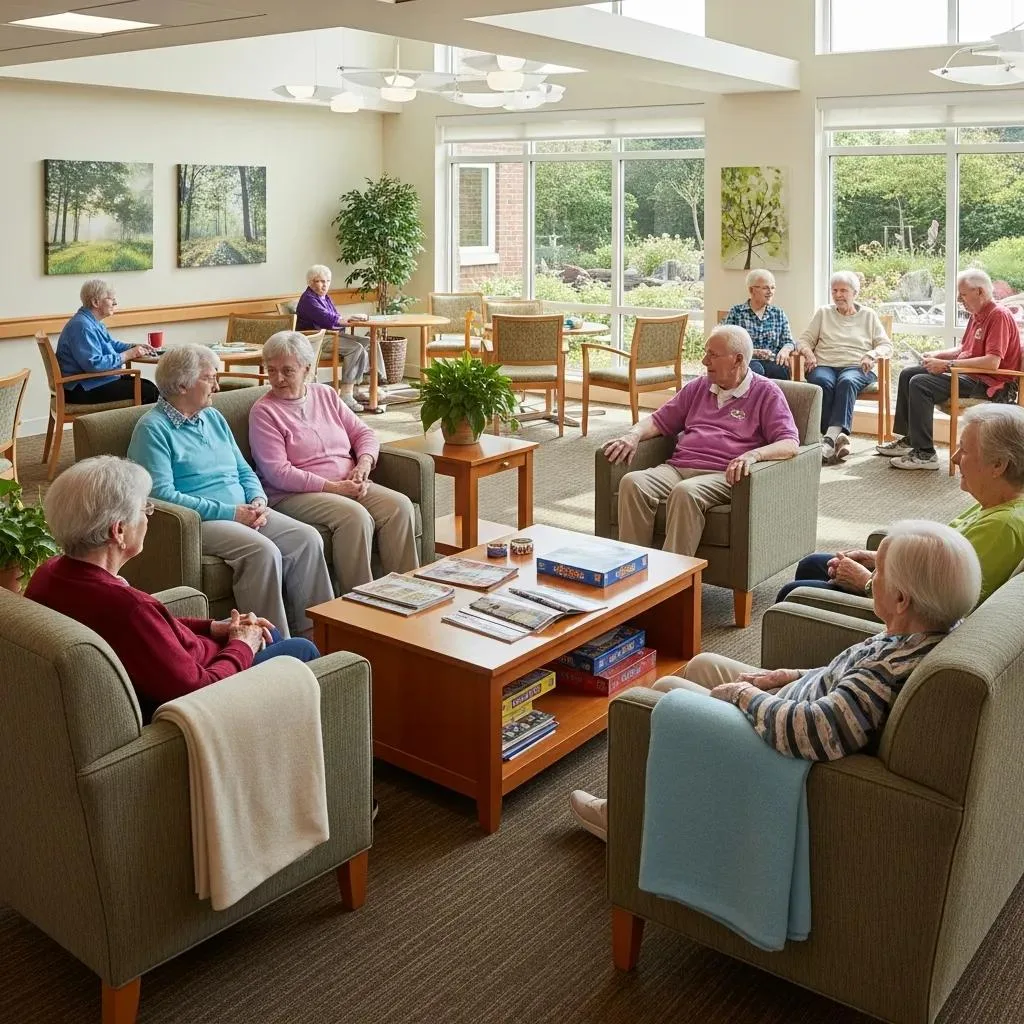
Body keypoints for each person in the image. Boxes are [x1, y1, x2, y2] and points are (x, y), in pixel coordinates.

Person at [570, 520, 982, 840]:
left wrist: (747, 696)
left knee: (661, 695)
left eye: (880, 570)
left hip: (781, 742)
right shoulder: (914, 636)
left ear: (900, 599)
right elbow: (842, 682)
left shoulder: (885, 672)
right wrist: (791, 675)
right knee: (702, 665)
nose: (870, 574)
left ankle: (624, 821)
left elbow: (816, 731)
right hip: (795, 700)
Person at [25, 456, 319, 721]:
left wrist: (214, 627)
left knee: (269, 634)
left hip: (182, 667)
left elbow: (150, 630)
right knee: (301, 650)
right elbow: (199, 689)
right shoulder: (128, 608)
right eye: (145, 509)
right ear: (118, 531)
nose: (148, 517)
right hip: (200, 697)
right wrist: (241, 645)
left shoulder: (49, 574)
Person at [126, 344, 334, 638]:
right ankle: (273, 647)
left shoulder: (213, 417)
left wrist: (258, 499)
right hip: (203, 520)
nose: (216, 385)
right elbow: (161, 495)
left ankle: (318, 635)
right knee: (263, 551)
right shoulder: (153, 429)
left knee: (307, 538)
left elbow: (243, 469)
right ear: (183, 384)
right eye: (210, 378)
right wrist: (232, 513)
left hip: (246, 510)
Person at [778, 403, 1024, 606]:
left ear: (998, 465)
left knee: (792, 594)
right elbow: (938, 564)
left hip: (904, 615)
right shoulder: (994, 502)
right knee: (812, 564)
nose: (954, 458)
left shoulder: (1003, 528)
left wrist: (866, 581)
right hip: (909, 587)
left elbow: (942, 605)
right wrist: (879, 559)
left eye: (964, 450)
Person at [605, 325, 799, 557]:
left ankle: (671, 580)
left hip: (722, 474)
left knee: (685, 493)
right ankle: (631, 568)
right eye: (706, 353)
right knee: (632, 482)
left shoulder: (766, 393)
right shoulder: (699, 386)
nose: (704, 361)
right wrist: (633, 435)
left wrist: (753, 455)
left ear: (737, 360)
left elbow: (790, 443)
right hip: (679, 467)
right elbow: (659, 420)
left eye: (713, 355)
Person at [248, 331, 419, 591]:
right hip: (293, 493)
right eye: (271, 370)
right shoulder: (264, 412)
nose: (278, 378)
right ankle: (360, 604)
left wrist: (363, 463)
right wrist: (334, 487)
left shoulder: (325, 394)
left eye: (287, 370)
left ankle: (407, 593)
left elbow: (364, 434)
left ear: (307, 368)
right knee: (354, 517)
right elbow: (278, 473)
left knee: (399, 506)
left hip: (347, 481)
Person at [878, 268, 1022, 471]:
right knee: (908, 373)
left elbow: (992, 363)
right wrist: (936, 354)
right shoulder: (977, 315)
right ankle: (911, 440)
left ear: (979, 292)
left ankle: (925, 453)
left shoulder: (998, 316)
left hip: (991, 385)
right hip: (970, 377)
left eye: (963, 294)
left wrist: (946, 365)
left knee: (920, 384)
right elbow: (964, 349)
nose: (958, 300)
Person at [796, 271, 891, 464]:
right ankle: (839, 437)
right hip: (824, 364)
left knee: (846, 382)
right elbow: (804, 340)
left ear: (855, 292)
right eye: (834, 290)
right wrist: (809, 353)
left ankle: (829, 439)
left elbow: (886, 346)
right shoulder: (823, 313)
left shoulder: (868, 315)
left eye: (843, 291)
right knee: (822, 382)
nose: (838, 295)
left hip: (856, 366)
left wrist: (871, 354)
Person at [294, 264, 386, 413]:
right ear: (310, 282)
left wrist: (347, 319)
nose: (324, 285)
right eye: (320, 281)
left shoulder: (324, 297)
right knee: (356, 348)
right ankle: (346, 394)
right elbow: (328, 318)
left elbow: (335, 319)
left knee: (369, 342)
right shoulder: (308, 300)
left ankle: (372, 381)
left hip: (330, 335)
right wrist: (348, 318)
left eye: (327, 281)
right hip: (315, 341)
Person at [55, 279, 159, 405]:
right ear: (95, 302)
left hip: (93, 382)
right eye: (110, 298)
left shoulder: (91, 322)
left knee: (149, 386)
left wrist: (133, 347)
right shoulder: (82, 326)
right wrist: (128, 354)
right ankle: (130, 424)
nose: (115, 302)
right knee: (150, 392)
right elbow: (94, 365)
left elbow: (110, 344)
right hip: (83, 388)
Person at [723, 269, 795, 381]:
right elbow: (727, 343)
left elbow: (789, 341)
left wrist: (785, 350)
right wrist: (755, 352)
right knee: (756, 370)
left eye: (772, 287)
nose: (770, 292)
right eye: (765, 288)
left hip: (772, 360)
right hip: (747, 360)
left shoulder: (778, 313)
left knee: (780, 370)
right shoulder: (737, 312)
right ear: (751, 290)